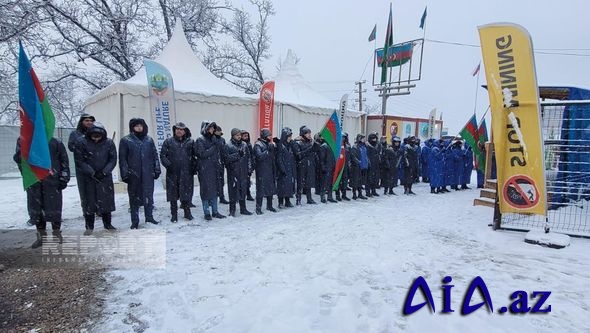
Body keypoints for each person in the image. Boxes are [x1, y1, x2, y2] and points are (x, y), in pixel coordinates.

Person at [14, 137, 70, 248]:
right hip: (34, 181)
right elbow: (19, 160)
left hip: (52, 181)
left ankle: (56, 233)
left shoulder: (55, 142)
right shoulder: (24, 138)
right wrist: (27, 175)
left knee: (54, 208)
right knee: (36, 209)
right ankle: (41, 237)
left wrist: (64, 177)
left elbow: (64, 160)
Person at [74, 122, 117, 234]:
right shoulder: (81, 142)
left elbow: (113, 159)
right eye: (94, 137)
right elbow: (79, 160)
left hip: (105, 177)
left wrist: (104, 172)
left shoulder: (109, 143)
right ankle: (89, 227)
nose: (96, 139)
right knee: (89, 203)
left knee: (106, 202)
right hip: (88, 178)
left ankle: (108, 224)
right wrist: (91, 172)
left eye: (99, 137)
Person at [119, 118, 161, 229]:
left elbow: (155, 155)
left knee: (148, 196)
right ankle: (135, 220)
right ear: (132, 127)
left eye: (140, 125)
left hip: (147, 174)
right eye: (136, 126)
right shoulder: (126, 140)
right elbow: (122, 159)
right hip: (134, 174)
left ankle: (149, 217)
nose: (139, 127)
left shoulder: (148, 140)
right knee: (134, 198)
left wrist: (157, 169)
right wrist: (125, 173)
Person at [160, 122, 195, 222]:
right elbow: (163, 156)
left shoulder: (190, 142)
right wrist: (168, 165)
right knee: (173, 195)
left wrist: (193, 167)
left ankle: (187, 212)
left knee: (186, 193)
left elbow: (194, 156)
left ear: (185, 131)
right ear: (174, 130)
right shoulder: (168, 142)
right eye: (177, 129)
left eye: (181, 129)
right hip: (172, 173)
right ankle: (174, 214)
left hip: (186, 172)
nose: (179, 131)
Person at [194, 121, 226, 220]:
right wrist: (213, 147)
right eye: (210, 128)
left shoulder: (214, 139)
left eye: (213, 128)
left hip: (215, 168)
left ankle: (215, 211)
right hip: (205, 169)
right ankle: (206, 212)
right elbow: (202, 154)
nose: (212, 130)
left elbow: (220, 151)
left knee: (215, 190)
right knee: (205, 191)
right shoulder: (200, 140)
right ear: (205, 128)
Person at [68, 113, 95, 220]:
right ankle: (86, 211)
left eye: (91, 121)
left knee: (97, 190)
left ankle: (98, 210)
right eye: (86, 121)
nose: (89, 123)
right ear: (82, 122)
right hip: (82, 167)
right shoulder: (75, 134)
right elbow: (71, 147)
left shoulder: (96, 132)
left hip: (96, 165)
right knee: (84, 192)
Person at [223, 128, 253, 217]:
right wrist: (237, 155)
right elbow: (226, 159)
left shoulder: (244, 145)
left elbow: (248, 158)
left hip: (243, 172)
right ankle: (232, 210)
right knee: (232, 191)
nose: (239, 136)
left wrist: (249, 168)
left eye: (240, 135)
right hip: (233, 172)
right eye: (237, 135)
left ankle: (243, 208)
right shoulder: (228, 145)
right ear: (233, 136)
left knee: (242, 190)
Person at [254, 128, 278, 214]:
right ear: (264, 136)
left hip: (270, 169)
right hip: (262, 170)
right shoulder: (258, 144)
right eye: (269, 135)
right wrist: (268, 151)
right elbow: (259, 157)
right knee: (260, 190)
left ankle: (269, 205)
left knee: (270, 188)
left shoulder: (270, 144)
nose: (270, 137)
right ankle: (258, 208)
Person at [293, 126, 318, 205]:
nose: (309, 135)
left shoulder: (310, 142)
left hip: (310, 164)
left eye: (310, 133)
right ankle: (298, 199)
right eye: (308, 133)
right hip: (301, 165)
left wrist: (315, 148)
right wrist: (309, 149)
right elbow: (298, 155)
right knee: (300, 183)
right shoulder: (297, 142)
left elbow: (313, 154)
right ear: (303, 134)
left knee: (309, 182)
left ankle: (309, 198)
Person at [276, 127, 297, 209]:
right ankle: (280, 202)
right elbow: (279, 158)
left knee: (288, 186)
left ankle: (287, 200)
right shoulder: (280, 145)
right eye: (289, 136)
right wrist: (282, 169)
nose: (290, 138)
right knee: (282, 187)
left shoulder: (290, 145)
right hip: (283, 170)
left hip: (290, 168)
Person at [318, 135, 337, 203]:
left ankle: (330, 196)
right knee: (324, 183)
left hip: (331, 166)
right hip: (326, 168)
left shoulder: (331, 146)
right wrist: (323, 167)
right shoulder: (324, 146)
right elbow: (322, 158)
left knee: (330, 183)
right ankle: (322, 196)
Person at [350, 134, 369, 200]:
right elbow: (353, 156)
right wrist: (358, 162)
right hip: (356, 167)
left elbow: (366, 156)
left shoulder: (364, 146)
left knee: (360, 181)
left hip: (363, 167)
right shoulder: (355, 147)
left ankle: (360, 193)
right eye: (362, 138)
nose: (364, 140)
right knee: (355, 181)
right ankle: (354, 194)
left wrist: (367, 163)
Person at [214, 125, 230, 205]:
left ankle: (221, 197)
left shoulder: (222, 140)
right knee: (214, 182)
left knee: (221, 181)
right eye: (217, 130)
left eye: (219, 130)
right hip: (213, 163)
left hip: (221, 163)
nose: (219, 132)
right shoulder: (212, 139)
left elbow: (224, 151)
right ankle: (213, 198)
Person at [240, 130, 255, 201]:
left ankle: (248, 194)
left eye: (247, 136)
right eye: (244, 136)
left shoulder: (249, 144)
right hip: (241, 165)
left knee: (247, 181)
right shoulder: (240, 144)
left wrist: (252, 165)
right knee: (240, 182)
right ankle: (240, 195)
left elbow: (251, 155)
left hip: (247, 165)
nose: (246, 137)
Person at [337, 133, 351, 201]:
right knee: (338, 181)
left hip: (346, 166)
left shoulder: (348, 146)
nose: (343, 139)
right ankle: (337, 195)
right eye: (342, 137)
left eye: (344, 137)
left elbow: (350, 155)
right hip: (339, 165)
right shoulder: (337, 146)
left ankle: (344, 195)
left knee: (345, 181)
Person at [366, 132, 380, 197]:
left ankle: (373, 190)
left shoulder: (377, 145)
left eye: (375, 139)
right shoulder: (367, 146)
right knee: (369, 179)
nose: (374, 140)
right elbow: (367, 156)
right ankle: (368, 191)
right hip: (370, 164)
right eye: (373, 139)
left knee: (375, 178)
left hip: (376, 163)